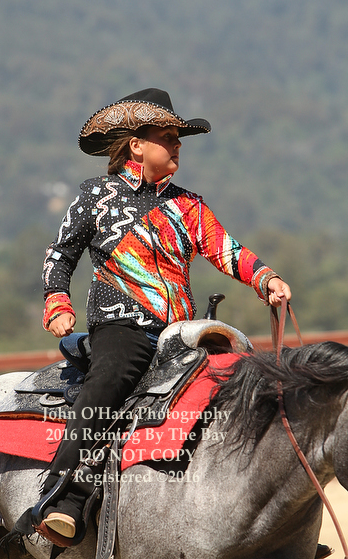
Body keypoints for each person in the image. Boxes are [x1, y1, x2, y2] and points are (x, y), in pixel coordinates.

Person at [36, 88, 291, 545]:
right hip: (122, 326)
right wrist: (57, 302)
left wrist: (266, 278)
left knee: (244, 379)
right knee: (109, 381)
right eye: (168, 137)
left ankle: (271, 524)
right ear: (136, 145)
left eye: (178, 139)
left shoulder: (189, 205)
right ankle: (62, 494)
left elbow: (227, 250)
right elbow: (60, 255)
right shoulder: (96, 196)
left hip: (182, 332)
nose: (177, 146)